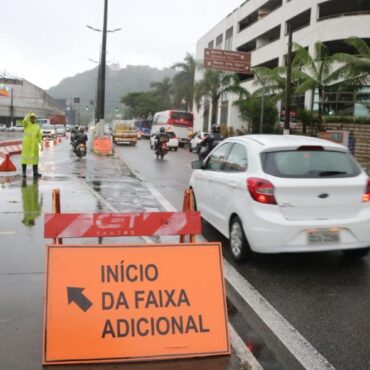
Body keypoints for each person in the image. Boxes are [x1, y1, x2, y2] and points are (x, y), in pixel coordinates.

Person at [21, 112, 43, 178]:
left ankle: (35, 172)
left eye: (33, 118)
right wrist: (28, 115)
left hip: (34, 145)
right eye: (31, 118)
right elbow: (24, 121)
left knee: (35, 159)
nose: (32, 119)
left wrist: (41, 144)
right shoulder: (27, 124)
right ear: (29, 118)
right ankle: (24, 173)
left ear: (35, 119)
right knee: (24, 159)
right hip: (27, 145)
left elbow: (39, 136)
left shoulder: (37, 126)